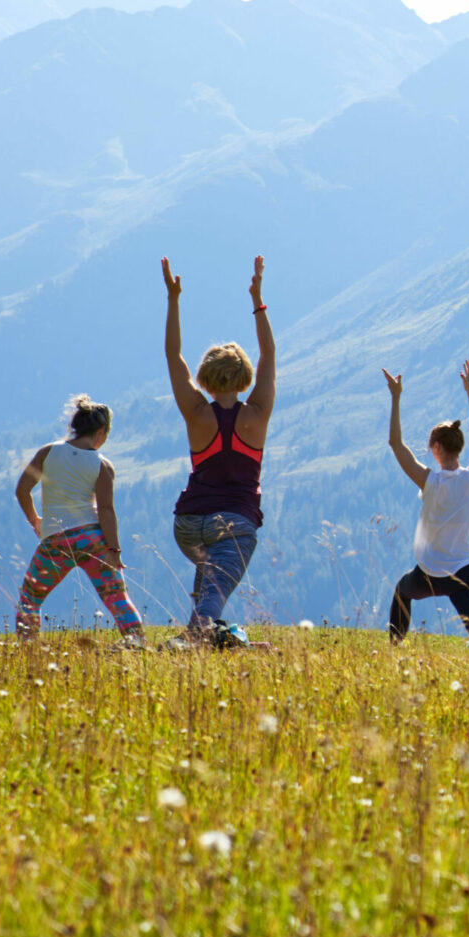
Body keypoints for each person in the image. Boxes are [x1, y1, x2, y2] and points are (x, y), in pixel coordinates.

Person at [163, 255, 274, 649]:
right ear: (244, 378)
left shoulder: (196, 412)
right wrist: (257, 301)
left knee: (209, 578)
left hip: (188, 523)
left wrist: (173, 299)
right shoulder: (257, 414)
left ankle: (209, 639)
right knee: (214, 590)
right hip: (234, 523)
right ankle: (194, 639)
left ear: (206, 378)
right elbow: (268, 356)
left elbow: (173, 356)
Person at [12, 396, 146, 646]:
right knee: (117, 599)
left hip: (55, 540)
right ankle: (138, 645)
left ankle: (28, 648)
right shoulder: (102, 464)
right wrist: (114, 550)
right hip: (92, 538)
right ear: (101, 431)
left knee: (30, 599)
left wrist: (35, 521)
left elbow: (22, 490)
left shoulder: (48, 452)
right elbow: (106, 510)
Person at [383, 360, 469, 647]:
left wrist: (396, 397)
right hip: (466, 570)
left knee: (402, 591)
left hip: (431, 573)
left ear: (436, 448)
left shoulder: (430, 482)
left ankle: (395, 646)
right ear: (459, 446)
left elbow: (395, 444)